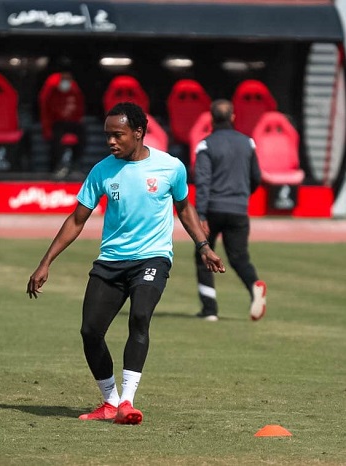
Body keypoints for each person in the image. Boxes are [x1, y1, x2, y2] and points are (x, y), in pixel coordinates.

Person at [26, 102, 225, 424]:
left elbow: (184, 207)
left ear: (138, 132)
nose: (111, 141)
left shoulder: (170, 167)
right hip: (111, 261)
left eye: (118, 135)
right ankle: (109, 402)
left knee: (140, 316)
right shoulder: (102, 171)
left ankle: (127, 402)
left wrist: (203, 245)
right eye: (107, 135)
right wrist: (45, 262)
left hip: (152, 257)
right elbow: (77, 220)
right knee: (90, 331)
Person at [193, 99, 267, 322]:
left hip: (213, 209)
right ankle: (254, 285)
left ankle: (210, 310)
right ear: (233, 117)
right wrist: (242, 195)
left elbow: (203, 182)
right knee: (239, 257)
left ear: (212, 118)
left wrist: (201, 214)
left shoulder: (205, 145)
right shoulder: (248, 143)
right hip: (238, 209)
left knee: (203, 256)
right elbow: (256, 177)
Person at [39, 71, 87, 179]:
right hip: (56, 123)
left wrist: (77, 119)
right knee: (56, 139)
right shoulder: (52, 92)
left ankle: (75, 164)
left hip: (72, 122)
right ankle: (56, 166)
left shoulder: (75, 92)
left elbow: (80, 107)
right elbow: (46, 111)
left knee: (82, 133)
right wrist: (46, 128)